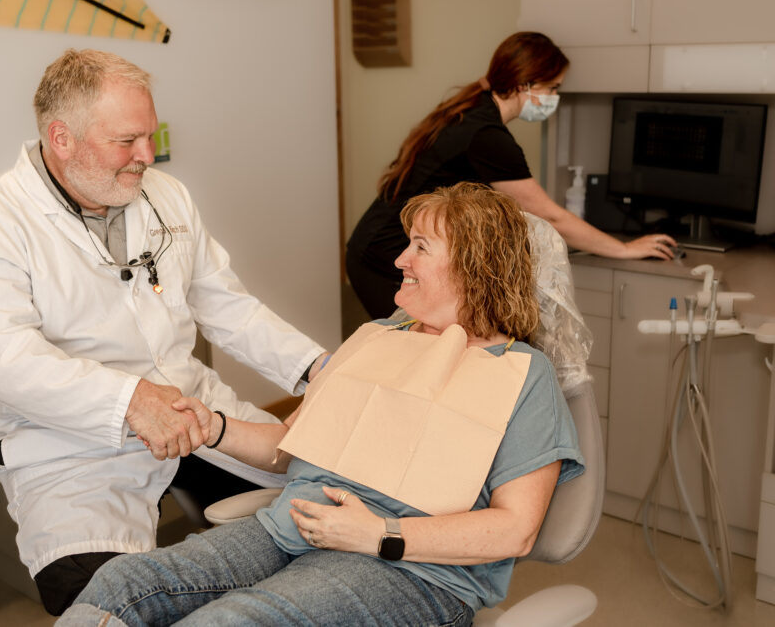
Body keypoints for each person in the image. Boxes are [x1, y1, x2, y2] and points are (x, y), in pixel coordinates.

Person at [57, 182, 585, 627]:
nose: (400, 259)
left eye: (421, 246)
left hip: (413, 571)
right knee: (124, 583)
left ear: (475, 265)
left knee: (229, 622)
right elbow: (290, 448)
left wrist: (380, 534)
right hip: (292, 527)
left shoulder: (521, 373)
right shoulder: (378, 337)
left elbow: (516, 529)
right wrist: (212, 426)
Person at [0, 49, 327, 615]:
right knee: (102, 602)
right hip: (75, 448)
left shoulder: (166, 196)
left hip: (196, 411)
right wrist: (133, 401)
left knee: (322, 523)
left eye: (151, 135)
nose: (148, 156)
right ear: (61, 137)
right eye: (127, 141)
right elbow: (6, 362)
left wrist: (320, 370)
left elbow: (229, 307)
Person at [346, 31, 678, 319]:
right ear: (525, 84)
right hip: (382, 257)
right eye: (552, 88)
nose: (554, 98)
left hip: (384, 247)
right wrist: (624, 249)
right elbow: (550, 216)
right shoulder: (487, 136)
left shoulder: (474, 110)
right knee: (420, 353)